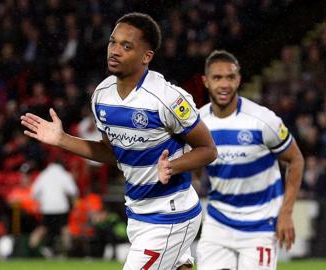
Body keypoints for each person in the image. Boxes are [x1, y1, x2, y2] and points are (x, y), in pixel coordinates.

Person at [21, 12, 217, 269]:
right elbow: (113, 154)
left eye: (127, 46)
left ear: (146, 57)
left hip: (170, 213)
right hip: (137, 213)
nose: (114, 50)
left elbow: (208, 149)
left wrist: (173, 166)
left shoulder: (167, 99)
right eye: (113, 42)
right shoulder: (102, 96)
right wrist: (62, 139)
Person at [192, 50, 304, 270]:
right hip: (218, 223)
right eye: (217, 78)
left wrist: (286, 213)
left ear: (239, 80)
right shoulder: (198, 124)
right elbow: (194, 171)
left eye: (230, 77)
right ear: (206, 82)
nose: (224, 84)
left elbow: (296, 159)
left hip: (260, 226)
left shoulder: (263, 120)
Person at [30, 161, 79, 257]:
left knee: (43, 228)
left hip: (47, 207)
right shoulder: (64, 175)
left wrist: (42, 200)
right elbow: (73, 191)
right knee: (64, 228)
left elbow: (34, 193)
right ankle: (67, 251)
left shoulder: (43, 175)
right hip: (61, 207)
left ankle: (31, 249)